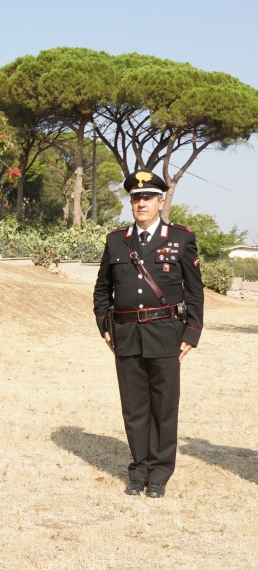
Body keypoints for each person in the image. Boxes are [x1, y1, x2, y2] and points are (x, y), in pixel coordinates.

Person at [93, 170, 204, 498]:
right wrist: (105, 327)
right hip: (126, 334)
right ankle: (138, 470)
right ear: (131, 203)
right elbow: (102, 289)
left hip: (166, 333)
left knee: (164, 406)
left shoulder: (180, 238)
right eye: (136, 198)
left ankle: (159, 473)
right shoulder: (116, 240)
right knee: (134, 407)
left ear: (160, 201)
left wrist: (192, 332)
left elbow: (195, 292)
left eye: (148, 198)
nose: (141, 204)